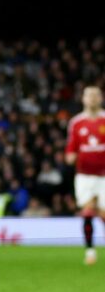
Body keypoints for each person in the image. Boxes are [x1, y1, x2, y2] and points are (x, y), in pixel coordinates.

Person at [65, 85, 105, 264]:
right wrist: (70, 157)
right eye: (89, 95)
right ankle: (90, 252)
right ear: (83, 99)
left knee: (103, 214)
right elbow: (70, 150)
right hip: (84, 176)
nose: (93, 98)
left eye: (96, 95)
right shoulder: (76, 123)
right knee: (87, 212)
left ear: (101, 98)